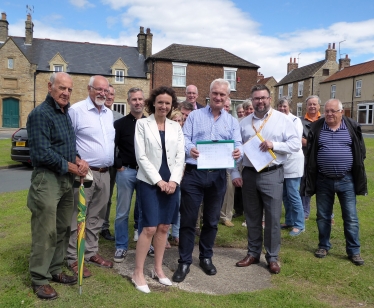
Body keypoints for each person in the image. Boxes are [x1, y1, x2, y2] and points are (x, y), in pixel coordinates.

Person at [172, 78, 242, 283]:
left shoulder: (231, 121)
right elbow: (184, 137)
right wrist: (189, 148)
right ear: (209, 94)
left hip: (218, 175)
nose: (218, 97)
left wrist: (240, 150)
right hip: (194, 173)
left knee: (211, 220)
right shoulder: (194, 116)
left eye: (222, 94)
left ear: (227, 97)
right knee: (188, 219)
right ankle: (184, 261)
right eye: (215, 93)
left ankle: (206, 257)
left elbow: (238, 143)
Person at [26, 72, 89, 300]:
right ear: (50, 86)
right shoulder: (40, 114)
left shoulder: (64, 113)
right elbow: (42, 153)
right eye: (62, 88)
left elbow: (66, 146)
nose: (66, 93)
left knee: (63, 228)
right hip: (47, 179)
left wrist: (79, 159)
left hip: (65, 179)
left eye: (70, 89)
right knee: (46, 231)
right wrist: (73, 167)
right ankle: (39, 278)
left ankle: (54, 270)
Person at [233, 84, 300, 274]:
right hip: (249, 173)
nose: (260, 101)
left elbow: (295, 144)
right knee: (252, 216)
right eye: (256, 98)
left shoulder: (282, 120)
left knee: (272, 218)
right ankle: (253, 253)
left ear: (269, 99)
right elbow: (236, 151)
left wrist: (274, 144)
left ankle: (272, 257)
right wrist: (236, 172)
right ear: (252, 100)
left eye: (263, 98)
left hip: (272, 172)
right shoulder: (244, 123)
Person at [132, 86, 185, 293]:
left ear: (172, 106)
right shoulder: (142, 124)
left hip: (172, 183)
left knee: (164, 227)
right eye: (160, 102)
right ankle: (137, 272)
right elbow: (141, 156)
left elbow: (180, 156)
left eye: (168, 103)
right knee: (149, 228)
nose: (164, 106)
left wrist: (173, 181)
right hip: (149, 181)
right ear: (153, 103)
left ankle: (157, 269)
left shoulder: (175, 127)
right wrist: (159, 181)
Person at [304, 99, 366, 265]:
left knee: (351, 217)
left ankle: (354, 251)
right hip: (323, 179)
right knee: (323, 216)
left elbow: (361, 150)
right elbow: (310, 153)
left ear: (341, 112)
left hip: (347, 180)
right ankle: (323, 245)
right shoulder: (317, 127)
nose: (329, 114)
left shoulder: (351, 127)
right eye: (327, 111)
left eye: (333, 111)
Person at [67, 75, 115, 277]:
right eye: (98, 89)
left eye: (105, 90)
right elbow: (67, 142)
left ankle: (91, 252)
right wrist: (77, 160)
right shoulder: (76, 111)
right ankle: (72, 257)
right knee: (78, 215)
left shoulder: (108, 113)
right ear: (89, 89)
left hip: (105, 173)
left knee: (96, 216)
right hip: (84, 174)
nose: (102, 93)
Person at [113, 87, 146, 262]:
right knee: (122, 212)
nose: (138, 102)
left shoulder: (150, 123)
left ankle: (144, 244)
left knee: (144, 211)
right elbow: (111, 147)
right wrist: (118, 165)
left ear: (144, 101)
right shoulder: (119, 124)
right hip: (126, 172)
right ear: (128, 102)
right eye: (134, 99)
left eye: (140, 99)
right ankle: (121, 246)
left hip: (145, 174)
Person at [277, 97, 305, 236]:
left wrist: (276, 144)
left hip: (293, 161)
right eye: (279, 106)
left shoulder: (295, 121)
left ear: (290, 107)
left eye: (284, 106)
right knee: (285, 195)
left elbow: (294, 142)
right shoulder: (276, 120)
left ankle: (299, 224)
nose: (282, 108)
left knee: (293, 194)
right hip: (281, 162)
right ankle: (289, 220)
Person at [100, 84, 123, 241]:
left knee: (107, 196)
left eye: (112, 94)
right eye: (106, 92)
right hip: (96, 163)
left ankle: (104, 227)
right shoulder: (95, 114)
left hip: (113, 164)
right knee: (94, 196)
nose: (109, 96)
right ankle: (90, 225)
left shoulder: (118, 117)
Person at [299, 95, 321, 220]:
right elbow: (298, 139)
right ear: (306, 107)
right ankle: (305, 213)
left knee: (324, 186)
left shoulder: (324, 119)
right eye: (309, 104)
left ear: (319, 106)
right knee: (305, 185)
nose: (312, 106)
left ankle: (327, 214)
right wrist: (318, 142)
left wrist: (309, 142)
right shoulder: (300, 121)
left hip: (322, 158)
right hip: (306, 158)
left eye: (314, 104)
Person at [220, 97, 236, 227]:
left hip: (228, 161)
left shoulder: (232, 121)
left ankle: (226, 216)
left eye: (227, 107)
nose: (225, 108)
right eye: (223, 106)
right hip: (213, 160)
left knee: (229, 189)